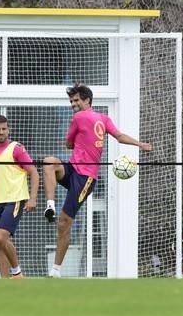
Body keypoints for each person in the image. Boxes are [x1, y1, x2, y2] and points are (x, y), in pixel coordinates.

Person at [43, 83, 152, 278]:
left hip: (86, 178)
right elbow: (119, 136)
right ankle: (50, 205)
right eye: (71, 101)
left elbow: (68, 143)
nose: (73, 104)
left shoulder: (82, 117)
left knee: (64, 222)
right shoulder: (103, 118)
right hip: (72, 169)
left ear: (87, 100)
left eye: (76, 100)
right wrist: (140, 144)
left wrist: (74, 141)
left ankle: (56, 270)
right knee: (49, 162)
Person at [0, 115, 39, 278]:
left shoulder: (16, 148)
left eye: (4, 129)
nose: (1, 132)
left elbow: (34, 172)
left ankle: (17, 273)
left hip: (15, 199)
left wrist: (32, 198)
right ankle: (5, 281)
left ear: (8, 130)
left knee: (1, 237)